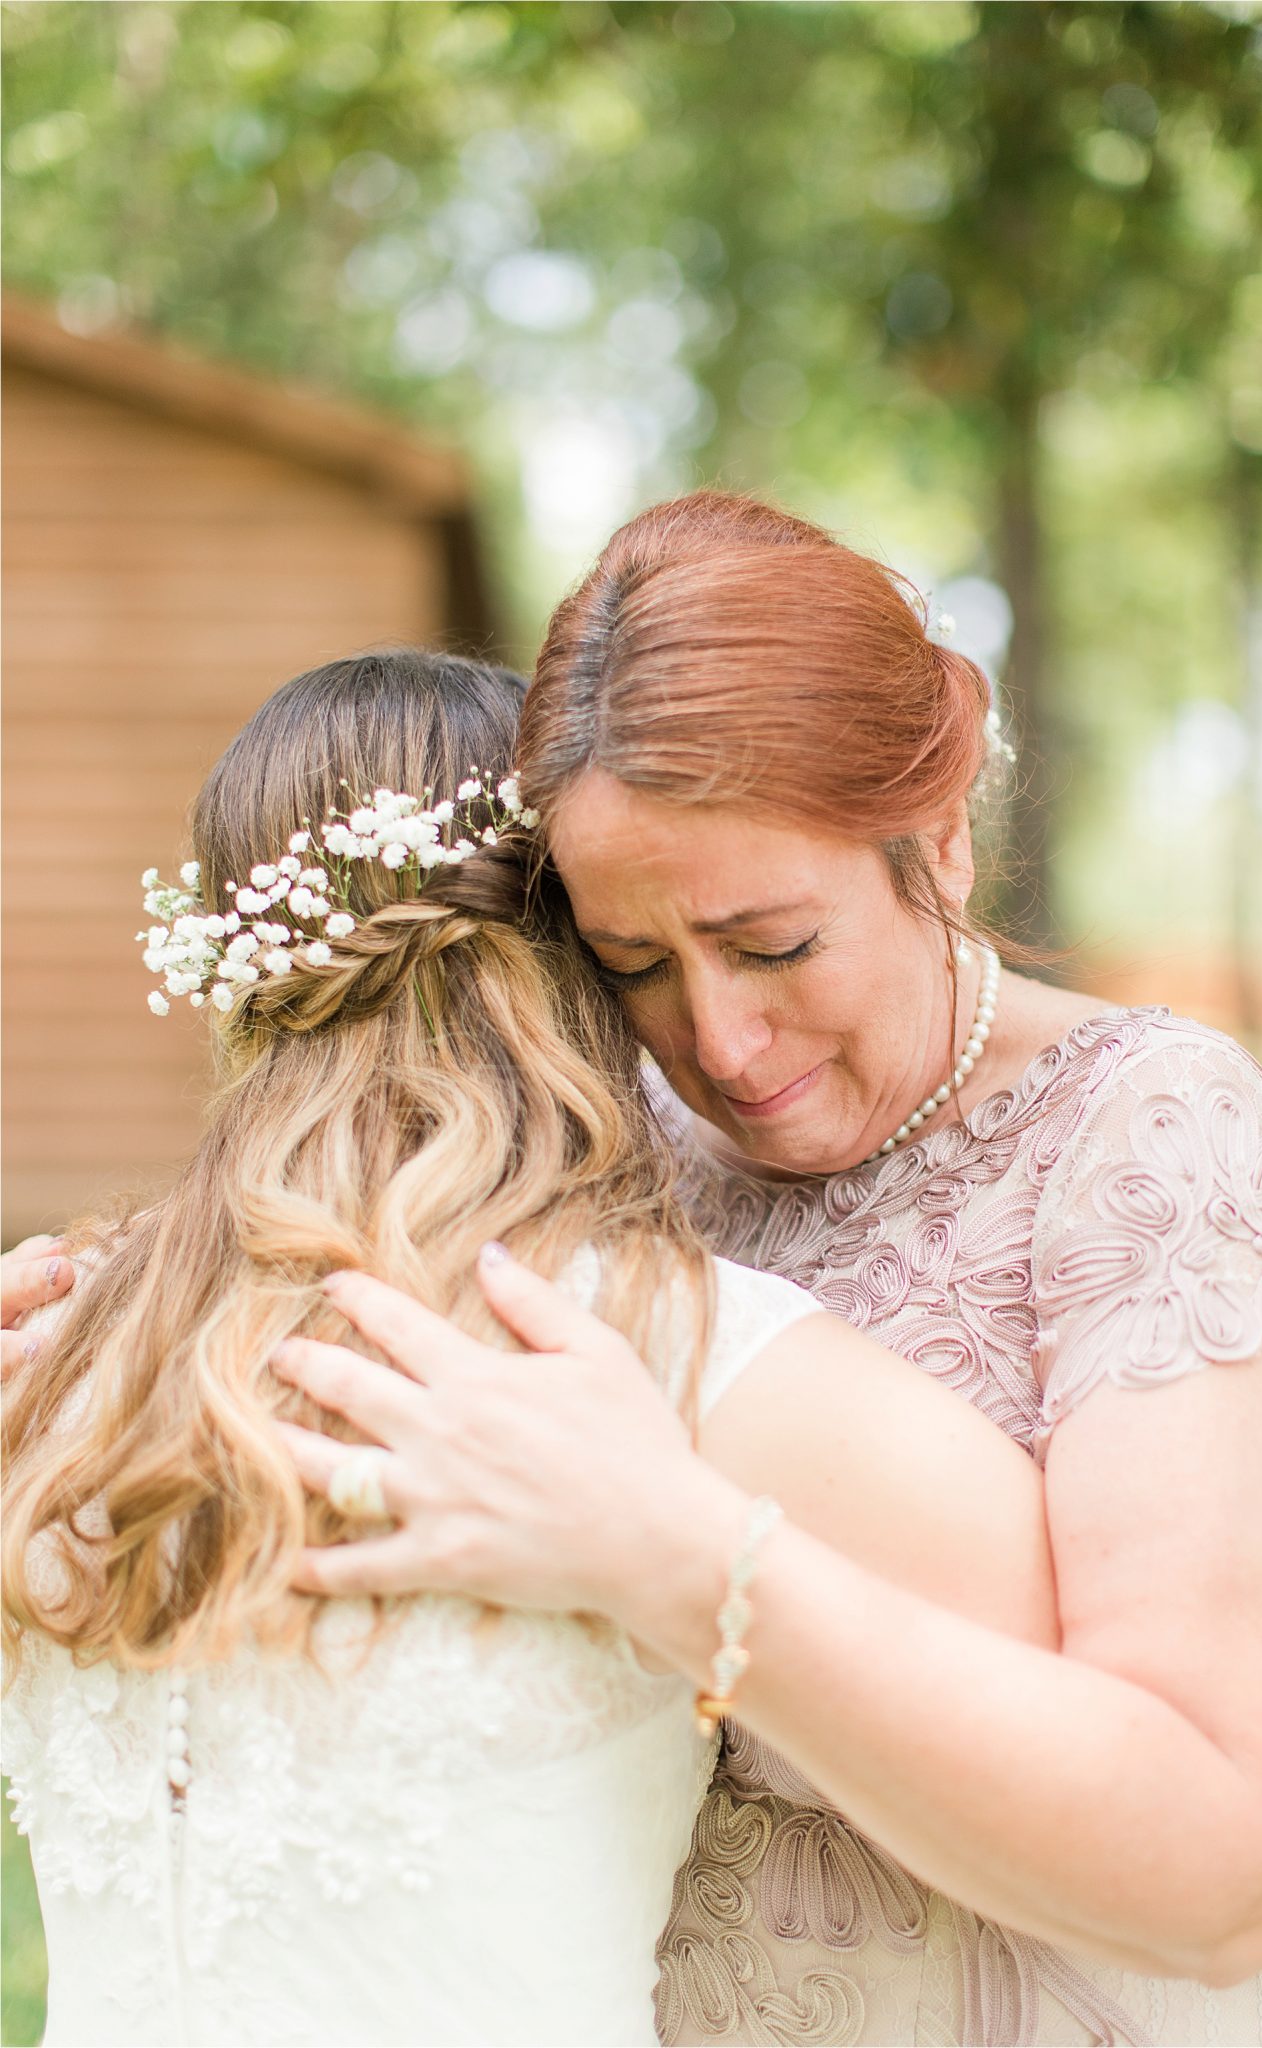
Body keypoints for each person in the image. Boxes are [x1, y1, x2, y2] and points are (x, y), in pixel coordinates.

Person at [273, 495, 1262, 2047]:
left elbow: (1243, 1862)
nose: (717, 1044)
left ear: (934, 842)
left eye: (774, 945)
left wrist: (674, 1556)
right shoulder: (605, 1143)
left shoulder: (1144, 1137)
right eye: (631, 965)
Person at [2, 647, 1066, 2048]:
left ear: (230, 963)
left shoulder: (71, 1363)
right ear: (579, 940)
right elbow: (1141, 1756)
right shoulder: (661, 1354)